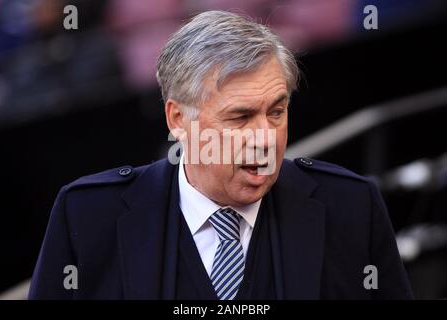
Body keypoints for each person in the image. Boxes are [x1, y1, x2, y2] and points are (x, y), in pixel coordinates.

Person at [29, 10, 413, 300]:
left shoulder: (352, 207)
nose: (265, 138)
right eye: (240, 117)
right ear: (178, 119)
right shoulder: (88, 216)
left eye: (276, 112)